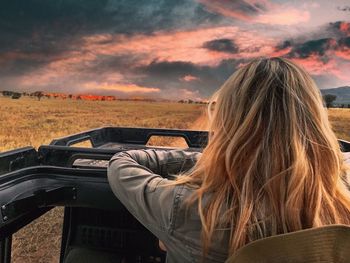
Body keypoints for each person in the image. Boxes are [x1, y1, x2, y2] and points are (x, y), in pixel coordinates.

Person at [107, 57, 350, 263]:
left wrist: (217, 156)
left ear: (229, 125)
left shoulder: (189, 209)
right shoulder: (343, 195)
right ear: (316, 123)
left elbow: (121, 164)